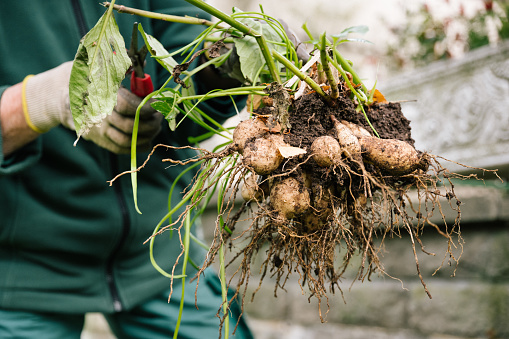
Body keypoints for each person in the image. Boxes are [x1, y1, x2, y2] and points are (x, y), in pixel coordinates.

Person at [0, 1, 253, 338]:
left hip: (162, 252)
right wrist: (39, 101)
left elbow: (186, 103)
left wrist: (214, 66)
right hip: (22, 271)